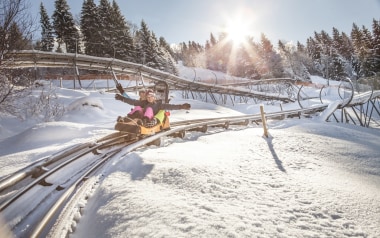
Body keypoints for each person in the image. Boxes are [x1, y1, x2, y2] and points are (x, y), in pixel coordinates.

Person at [115, 89, 191, 126]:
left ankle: (144, 122)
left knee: (149, 109)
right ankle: (126, 119)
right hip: (141, 119)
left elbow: (170, 106)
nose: (149, 98)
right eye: (148, 97)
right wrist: (122, 98)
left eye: (151, 96)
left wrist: (182, 106)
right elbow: (133, 102)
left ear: (154, 97)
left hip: (150, 120)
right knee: (138, 107)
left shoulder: (159, 104)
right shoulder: (144, 102)